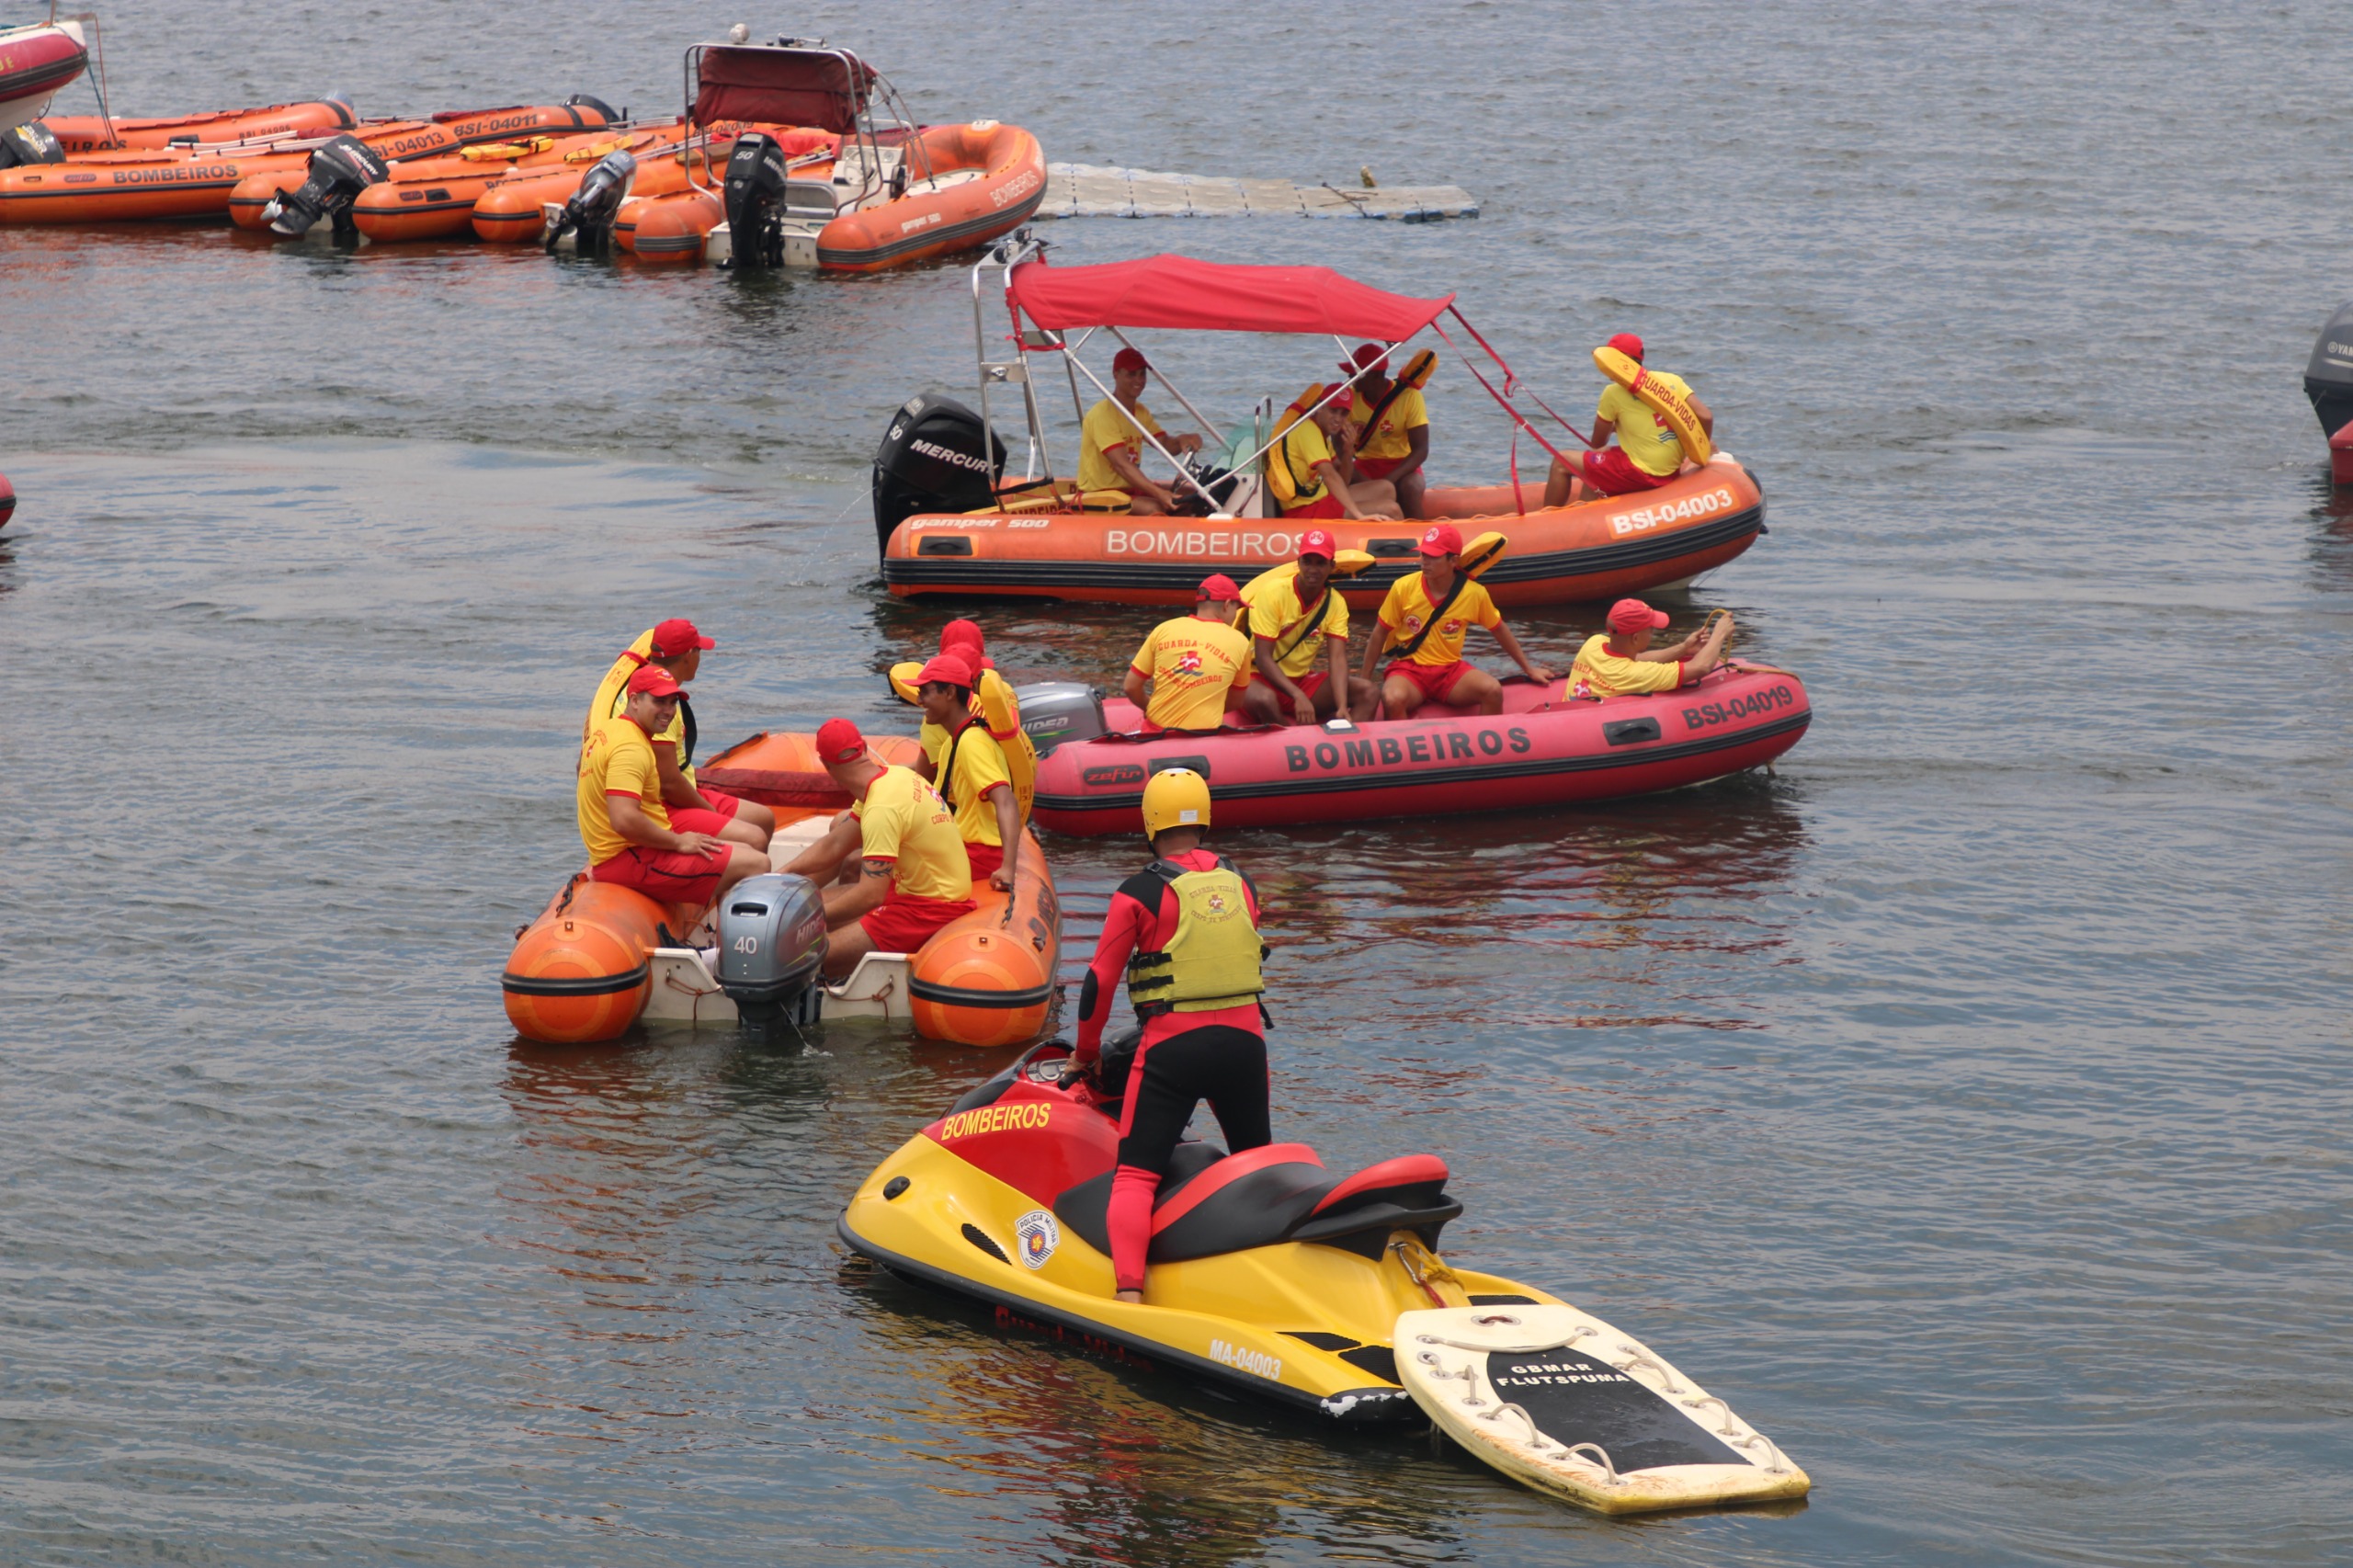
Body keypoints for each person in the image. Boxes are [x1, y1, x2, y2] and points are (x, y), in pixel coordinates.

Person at [1070, 768, 1269, 1305]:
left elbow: (1098, 983)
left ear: (1149, 822)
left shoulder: (1138, 892)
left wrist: (1084, 1055)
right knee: (1255, 1163)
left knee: (1135, 1176)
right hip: (1245, 1048)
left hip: (1172, 1049)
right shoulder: (1243, 884)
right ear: (1203, 818)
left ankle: (1130, 1297)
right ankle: (1264, 1282)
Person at [779, 719, 976, 976]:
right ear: (863, 749)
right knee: (802, 910)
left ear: (827, 766)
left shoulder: (881, 809)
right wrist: (785, 871)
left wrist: (804, 919)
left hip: (928, 910)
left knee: (792, 957)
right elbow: (837, 843)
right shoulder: (894, 776)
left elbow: (870, 895)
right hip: (916, 893)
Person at [577, 665, 770, 906]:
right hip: (627, 857)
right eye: (659, 702)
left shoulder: (609, 730)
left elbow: (581, 772)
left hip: (628, 848)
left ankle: (718, 922)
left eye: (672, 703)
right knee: (757, 863)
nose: (668, 711)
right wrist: (679, 841)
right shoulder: (631, 748)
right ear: (635, 701)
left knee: (748, 846)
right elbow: (624, 819)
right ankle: (732, 940)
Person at [585, 617, 774, 852]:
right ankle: (723, 883)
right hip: (660, 804)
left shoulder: (634, 690)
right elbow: (668, 783)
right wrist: (710, 812)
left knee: (764, 818)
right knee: (754, 838)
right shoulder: (662, 708)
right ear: (689, 655)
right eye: (699, 651)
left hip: (674, 791)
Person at [1360, 522, 1555, 718]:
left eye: (1433, 557)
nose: (1424, 562)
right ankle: (1402, 745)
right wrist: (1365, 682)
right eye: (1423, 555)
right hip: (1409, 670)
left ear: (1453, 561)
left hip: (1449, 671)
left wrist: (1528, 669)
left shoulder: (1474, 594)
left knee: (1492, 690)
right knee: (1393, 698)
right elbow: (1379, 633)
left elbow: (1499, 629)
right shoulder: (1403, 587)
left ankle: (1487, 744)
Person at [1544, 333, 1713, 506]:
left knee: (1561, 461)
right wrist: (1700, 448)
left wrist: (1613, 426)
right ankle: (1581, 516)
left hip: (1641, 472)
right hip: (1669, 470)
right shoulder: (1672, 381)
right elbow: (1705, 416)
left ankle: (1546, 522)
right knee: (1598, 462)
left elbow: (1596, 442)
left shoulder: (1613, 393)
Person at [1238, 528, 1378, 726]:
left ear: (1332, 566)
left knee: (1369, 691)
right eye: (1307, 562)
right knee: (1265, 700)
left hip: (1301, 680)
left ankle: (1345, 745)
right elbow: (1263, 658)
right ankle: (1288, 745)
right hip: (1259, 678)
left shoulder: (1335, 602)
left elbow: (1337, 658)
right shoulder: (1273, 593)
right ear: (1298, 563)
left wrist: (1341, 706)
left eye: (1320, 563)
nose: (1313, 569)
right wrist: (1298, 696)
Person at [911, 653, 1019, 892]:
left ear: (949, 693)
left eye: (925, 692)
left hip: (981, 852)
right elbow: (937, 801)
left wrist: (1008, 868)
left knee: (864, 868)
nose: (920, 701)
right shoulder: (954, 741)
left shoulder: (972, 742)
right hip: (964, 845)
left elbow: (1005, 800)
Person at [1077, 347, 1202, 516]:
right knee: (1156, 508)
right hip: (1101, 494)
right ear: (1116, 374)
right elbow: (1121, 465)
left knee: (1193, 498)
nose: (1139, 380)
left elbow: (1165, 445)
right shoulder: (1103, 415)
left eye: (1142, 374)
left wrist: (1182, 440)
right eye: (1131, 374)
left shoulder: (1140, 412)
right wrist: (1160, 494)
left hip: (1127, 491)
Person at [1122, 574, 1256, 733]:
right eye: (1237, 608)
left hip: (1155, 735)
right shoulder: (1239, 641)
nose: (1235, 615)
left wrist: (1149, 708)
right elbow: (1236, 702)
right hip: (1203, 740)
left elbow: (1130, 687)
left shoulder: (1164, 629)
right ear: (1227, 605)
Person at [1274, 383, 1399, 521]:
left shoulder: (1323, 433)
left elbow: (1343, 481)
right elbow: (1330, 476)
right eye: (1333, 411)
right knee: (1392, 509)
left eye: (1344, 413)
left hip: (1322, 497)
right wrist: (1359, 515)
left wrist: (1347, 452)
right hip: (1304, 509)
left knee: (1387, 488)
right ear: (1320, 407)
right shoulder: (1308, 431)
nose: (1338, 419)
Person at [1568, 598, 1735, 699]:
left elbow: (1639, 659)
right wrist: (1719, 634)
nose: (1653, 633)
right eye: (1650, 629)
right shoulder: (1633, 675)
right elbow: (1700, 667)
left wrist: (1684, 648)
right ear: (1635, 638)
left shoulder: (1593, 643)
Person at [1340, 343, 1431, 518]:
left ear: (1374, 375)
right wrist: (1370, 482)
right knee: (1344, 480)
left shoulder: (1410, 397)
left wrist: (1388, 480)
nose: (1350, 377)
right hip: (1365, 465)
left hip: (1403, 466)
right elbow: (1339, 449)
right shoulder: (1349, 398)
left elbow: (1421, 450)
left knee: (1411, 486)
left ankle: (1420, 534)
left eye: (1355, 373)